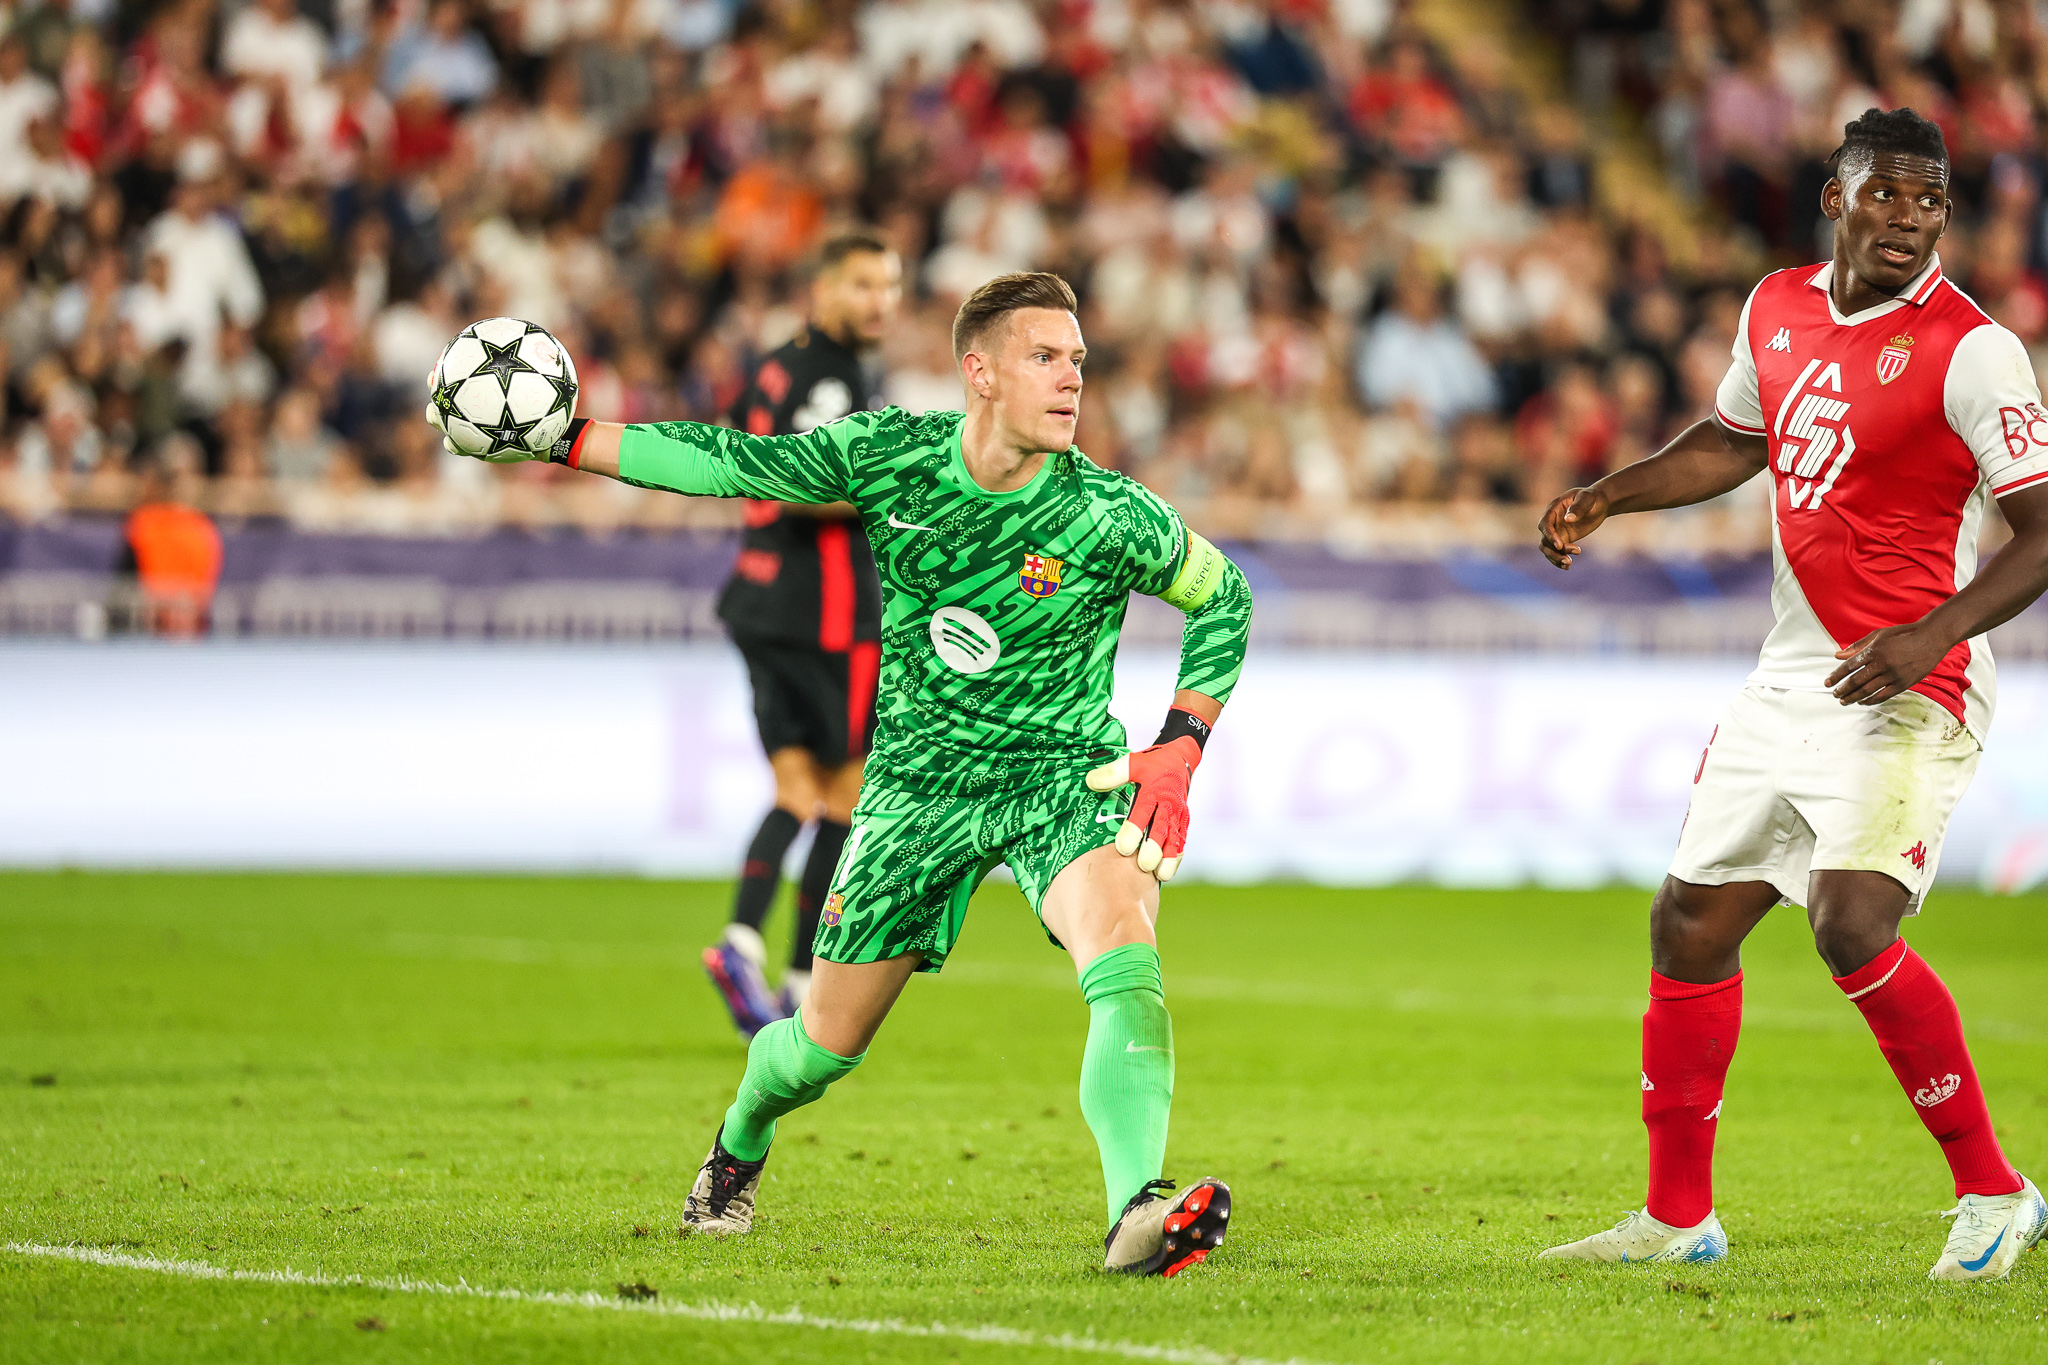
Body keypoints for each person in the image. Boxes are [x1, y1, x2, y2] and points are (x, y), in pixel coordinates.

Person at [433, 271, 1253, 1277]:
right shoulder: (892, 460)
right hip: (911, 790)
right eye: (1045, 355)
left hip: (1059, 779)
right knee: (819, 1047)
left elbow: (1225, 598)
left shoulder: (1106, 515)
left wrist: (1178, 744)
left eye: (1077, 359)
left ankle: (1137, 1206)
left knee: (1124, 953)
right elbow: (732, 464)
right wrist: (568, 440)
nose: (1070, 376)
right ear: (979, 372)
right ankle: (736, 1145)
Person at [1535, 108, 2048, 1280]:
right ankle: (1677, 1222)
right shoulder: (1774, 306)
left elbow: (2037, 532)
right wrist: (1608, 494)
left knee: (1848, 920)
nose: (1906, 220)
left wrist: (1930, 634)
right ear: (1835, 198)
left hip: (1913, 683)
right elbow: (1732, 441)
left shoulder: (1973, 351)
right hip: (1790, 674)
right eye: (1884, 195)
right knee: (1689, 922)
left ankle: (1994, 1192)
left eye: (1928, 202)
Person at [702, 232, 902, 1040]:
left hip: (756, 601)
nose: (878, 301)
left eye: (889, 286)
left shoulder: (769, 366)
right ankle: (796, 981)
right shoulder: (829, 375)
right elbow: (808, 481)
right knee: (847, 799)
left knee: (795, 787)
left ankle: (740, 939)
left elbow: (743, 452)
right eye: (861, 284)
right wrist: (888, 489)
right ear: (821, 290)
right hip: (828, 615)